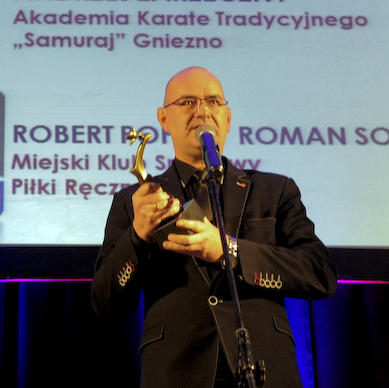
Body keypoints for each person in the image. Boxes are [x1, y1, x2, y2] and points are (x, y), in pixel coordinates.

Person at [92, 67, 336, 388]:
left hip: (264, 370)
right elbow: (105, 304)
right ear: (163, 119)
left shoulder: (274, 191)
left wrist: (229, 250)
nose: (203, 111)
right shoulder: (136, 201)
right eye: (188, 102)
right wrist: (137, 236)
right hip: (176, 374)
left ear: (228, 117)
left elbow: (320, 274)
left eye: (213, 102)